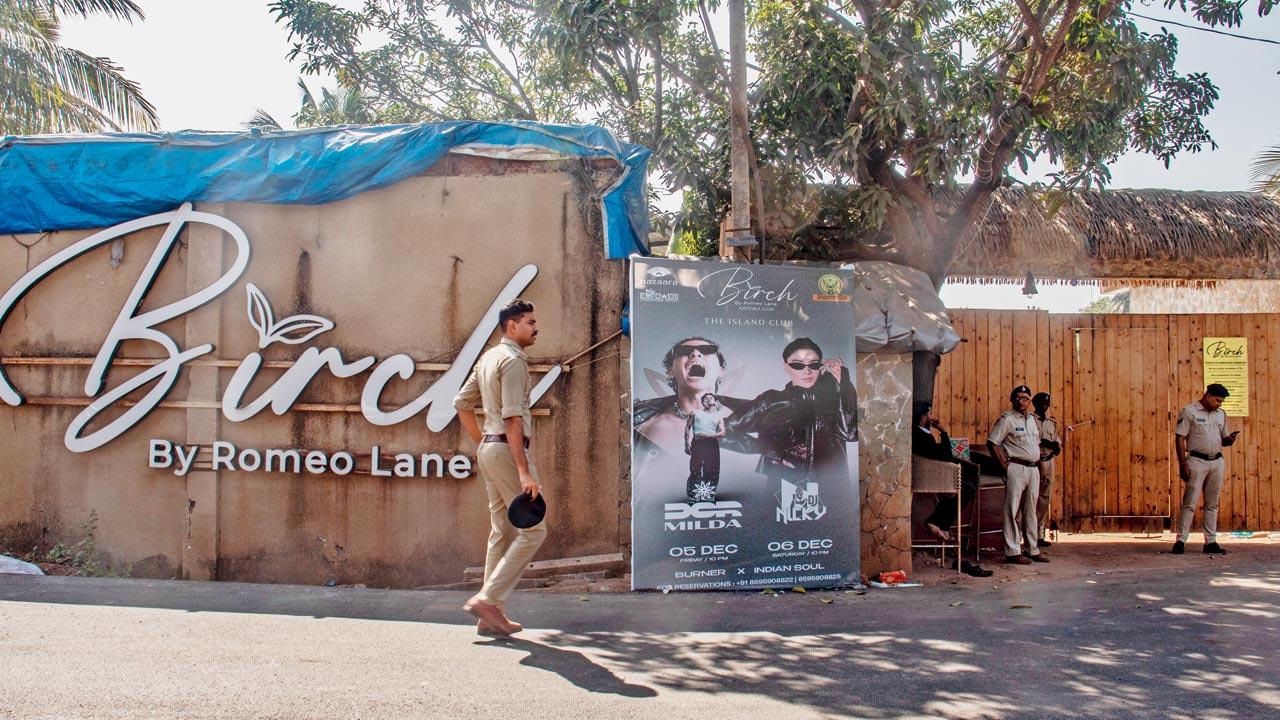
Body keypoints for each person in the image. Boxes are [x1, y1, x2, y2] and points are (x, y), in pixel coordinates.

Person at [453, 299, 547, 637]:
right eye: (530, 322)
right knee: (535, 530)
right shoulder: (513, 361)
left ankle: (489, 617)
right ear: (512, 326)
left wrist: (482, 441)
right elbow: (511, 417)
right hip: (507, 451)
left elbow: (461, 404)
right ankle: (489, 600)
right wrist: (523, 471)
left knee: (502, 530)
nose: (536, 328)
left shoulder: (488, 358)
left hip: (490, 450)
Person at [730, 337, 859, 487]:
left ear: (821, 366)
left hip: (830, 485)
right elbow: (725, 429)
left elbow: (850, 434)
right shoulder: (772, 400)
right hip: (784, 486)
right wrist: (772, 453)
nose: (807, 371)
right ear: (786, 367)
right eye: (798, 365)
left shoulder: (835, 396)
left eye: (814, 364)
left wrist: (842, 383)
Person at [912, 400, 991, 577]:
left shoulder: (920, 434)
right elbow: (946, 454)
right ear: (924, 417)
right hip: (936, 475)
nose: (932, 417)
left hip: (937, 472)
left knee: (966, 482)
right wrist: (944, 431)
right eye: (930, 414)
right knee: (968, 487)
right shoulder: (922, 435)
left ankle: (940, 523)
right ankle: (938, 522)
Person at [1172, 383, 1239, 555]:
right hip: (1196, 460)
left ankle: (1210, 541)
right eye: (1217, 400)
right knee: (1190, 503)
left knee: (1212, 503)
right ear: (1207, 395)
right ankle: (1180, 540)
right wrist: (1183, 464)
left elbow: (1223, 439)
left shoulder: (1221, 415)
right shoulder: (1190, 412)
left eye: (1221, 402)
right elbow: (1180, 439)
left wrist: (1229, 440)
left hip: (1216, 461)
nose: (1220, 404)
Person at [987, 385, 1048, 564]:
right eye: (1018, 398)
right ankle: (1013, 551)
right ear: (1013, 400)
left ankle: (1032, 549)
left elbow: (1035, 447)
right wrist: (1004, 466)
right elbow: (993, 443)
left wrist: (1041, 468)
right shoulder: (1008, 420)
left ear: (1030, 401)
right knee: (1012, 510)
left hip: (1033, 468)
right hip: (1016, 467)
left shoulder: (1032, 420)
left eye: (1025, 398)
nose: (1022, 401)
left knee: (1031, 510)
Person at [1030, 392, 1062, 549]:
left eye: (1047, 404)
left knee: (1044, 498)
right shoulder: (1029, 420)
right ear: (1035, 404)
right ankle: (1027, 534)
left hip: (1048, 461)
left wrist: (1054, 446)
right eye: (1041, 403)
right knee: (1030, 498)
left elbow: (1057, 444)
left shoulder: (1052, 423)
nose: (1045, 406)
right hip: (1034, 462)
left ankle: (1039, 534)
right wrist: (1045, 442)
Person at [684, 392, 726, 502]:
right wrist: (686, 443)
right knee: (695, 469)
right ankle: (692, 495)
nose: (708, 399)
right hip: (698, 443)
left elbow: (722, 433)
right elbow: (687, 427)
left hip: (712, 444)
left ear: (715, 402)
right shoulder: (695, 413)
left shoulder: (719, 416)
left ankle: (708, 495)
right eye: (705, 398)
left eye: (711, 398)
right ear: (702, 402)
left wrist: (708, 436)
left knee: (712, 469)